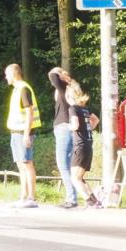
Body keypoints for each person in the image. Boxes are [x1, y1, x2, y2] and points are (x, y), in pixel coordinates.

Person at [4, 63, 41, 207]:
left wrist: (26, 134)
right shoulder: (16, 90)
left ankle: (31, 197)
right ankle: (23, 197)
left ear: (14, 74)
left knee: (27, 163)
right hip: (16, 131)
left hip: (23, 132)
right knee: (21, 165)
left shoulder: (23, 89)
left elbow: (30, 112)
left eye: (7, 74)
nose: (6, 77)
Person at [66, 81, 101, 208]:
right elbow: (96, 119)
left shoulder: (73, 108)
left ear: (69, 96)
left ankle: (89, 201)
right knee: (80, 177)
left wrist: (68, 126)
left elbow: (75, 125)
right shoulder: (85, 108)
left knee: (75, 178)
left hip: (80, 146)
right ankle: (95, 201)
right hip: (88, 145)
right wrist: (88, 129)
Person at [48, 67, 77, 208]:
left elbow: (52, 74)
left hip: (63, 128)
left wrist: (59, 72)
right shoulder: (70, 89)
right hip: (69, 128)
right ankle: (72, 197)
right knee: (68, 166)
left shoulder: (63, 87)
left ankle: (71, 198)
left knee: (62, 165)